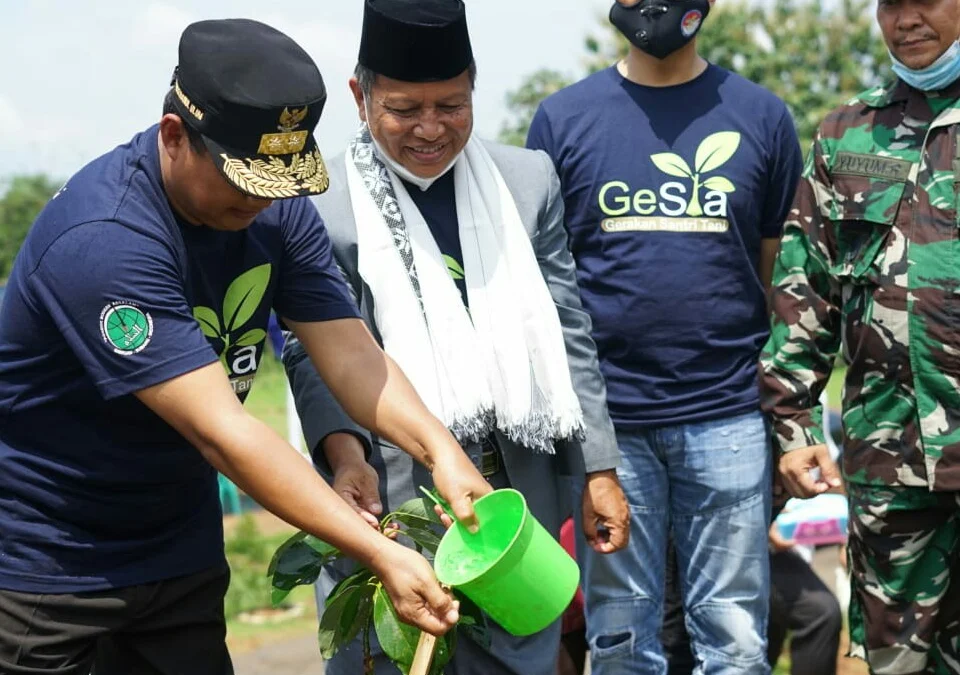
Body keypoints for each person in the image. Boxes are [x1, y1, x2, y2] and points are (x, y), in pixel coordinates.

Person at [0, 18, 494, 675]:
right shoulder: (107, 240)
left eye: (280, 179)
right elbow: (225, 433)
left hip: (175, 546)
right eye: (246, 181)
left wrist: (443, 453)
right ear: (175, 136)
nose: (264, 202)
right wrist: (379, 553)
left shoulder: (274, 201)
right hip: (47, 562)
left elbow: (351, 352)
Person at [282, 1, 630, 673]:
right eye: (405, 109)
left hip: (514, 500)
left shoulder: (527, 182)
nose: (432, 128)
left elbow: (567, 328)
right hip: (392, 488)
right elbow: (311, 348)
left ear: (475, 87)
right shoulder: (318, 205)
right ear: (360, 96)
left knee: (522, 649)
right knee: (392, 654)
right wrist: (343, 452)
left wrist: (598, 467)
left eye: (452, 104)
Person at [526, 0, 804, 672]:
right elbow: (542, 287)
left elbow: (779, 278)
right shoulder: (562, 120)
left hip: (729, 419)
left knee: (734, 639)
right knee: (620, 641)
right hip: (607, 434)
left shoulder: (762, 117)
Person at [761, 0, 960, 670]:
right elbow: (804, 292)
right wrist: (792, 427)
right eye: (889, 4)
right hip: (891, 463)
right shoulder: (849, 133)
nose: (905, 18)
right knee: (895, 662)